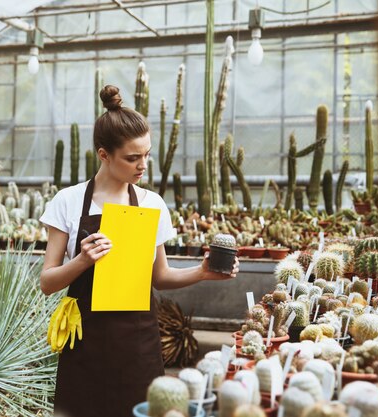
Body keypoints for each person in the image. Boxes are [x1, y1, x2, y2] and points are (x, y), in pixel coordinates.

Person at [39, 85, 239, 417]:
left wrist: (203, 272)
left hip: (137, 339)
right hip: (85, 339)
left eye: (147, 154)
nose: (143, 165)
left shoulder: (151, 204)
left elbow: (160, 277)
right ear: (103, 154)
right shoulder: (69, 201)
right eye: (132, 157)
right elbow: (47, 282)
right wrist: (82, 260)